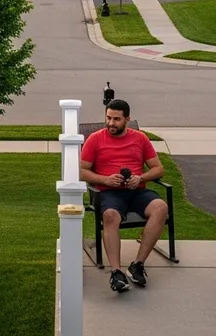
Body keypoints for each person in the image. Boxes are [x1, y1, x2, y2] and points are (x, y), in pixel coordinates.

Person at [80, 99, 168, 293]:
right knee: (110, 216)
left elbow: (159, 169)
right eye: (108, 118)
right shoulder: (95, 139)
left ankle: (138, 265)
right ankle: (116, 272)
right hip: (108, 192)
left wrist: (140, 177)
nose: (111, 123)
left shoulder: (140, 138)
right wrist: (105, 180)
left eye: (116, 119)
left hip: (136, 190)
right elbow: (81, 172)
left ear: (127, 119)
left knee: (161, 208)